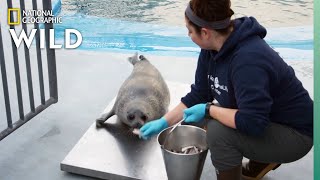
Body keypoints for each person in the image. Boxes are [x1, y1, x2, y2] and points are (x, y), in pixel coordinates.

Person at [139, 0, 313, 179]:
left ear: (205, 32)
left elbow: (252, 122)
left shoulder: (248, 60)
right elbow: (199, 94)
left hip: (295, 134)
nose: (188, 35)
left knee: (218, 133)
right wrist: (164, 122)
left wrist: (209, 109)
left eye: (190, 31)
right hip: (265, 118)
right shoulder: (212, 48)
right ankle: (261, 160)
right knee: (192, 123)